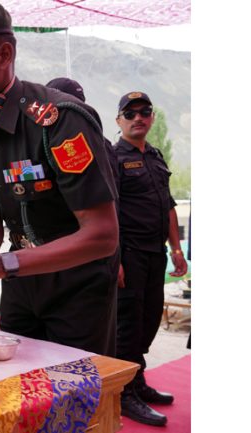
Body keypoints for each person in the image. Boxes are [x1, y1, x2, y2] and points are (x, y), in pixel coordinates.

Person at [0, 2, 120, 356]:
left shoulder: (60, 120)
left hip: (77, 286)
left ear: (4, 54)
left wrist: (1, 263)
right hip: (19, 282)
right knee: (19, 391)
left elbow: (102, 235)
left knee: (74, 397)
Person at [113, 91, 187, 426]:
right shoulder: (114, 159)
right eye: (130, 113)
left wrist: (176, 249)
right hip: (129, 253)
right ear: (119, 121)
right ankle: (124, 392)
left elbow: (168, 205)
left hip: (157, 254)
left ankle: (137, 380)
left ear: (152, 118)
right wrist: (114, 260)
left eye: (145, 112)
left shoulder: (155, 156)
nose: (138, 118)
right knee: (128, 324)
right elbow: (107, 213)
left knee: (148, 319)